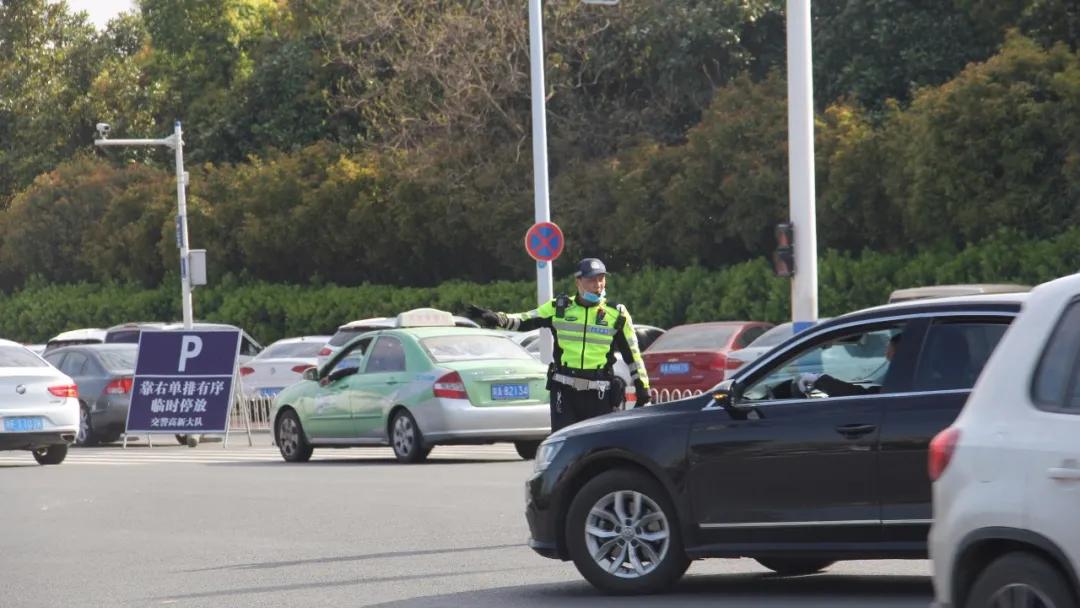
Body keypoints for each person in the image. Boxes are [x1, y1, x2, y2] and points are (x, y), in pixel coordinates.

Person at [466, 257, 651, 432]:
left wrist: (643, 388)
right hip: (565, 393)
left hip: (600, 394)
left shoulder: (616, 313)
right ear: (578, 282)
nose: (598, 285)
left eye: (602, 279)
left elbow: (633, 354)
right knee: (564, 448)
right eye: (591, 280)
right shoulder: (559, 308)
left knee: (599, 450)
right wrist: (499, 318)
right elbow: (526, 319)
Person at [795, 332, 902, 397]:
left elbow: (862, 396)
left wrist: (820, 379)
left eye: (890, 347)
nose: (886, 351)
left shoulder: (902, 380)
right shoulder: (909, 377)